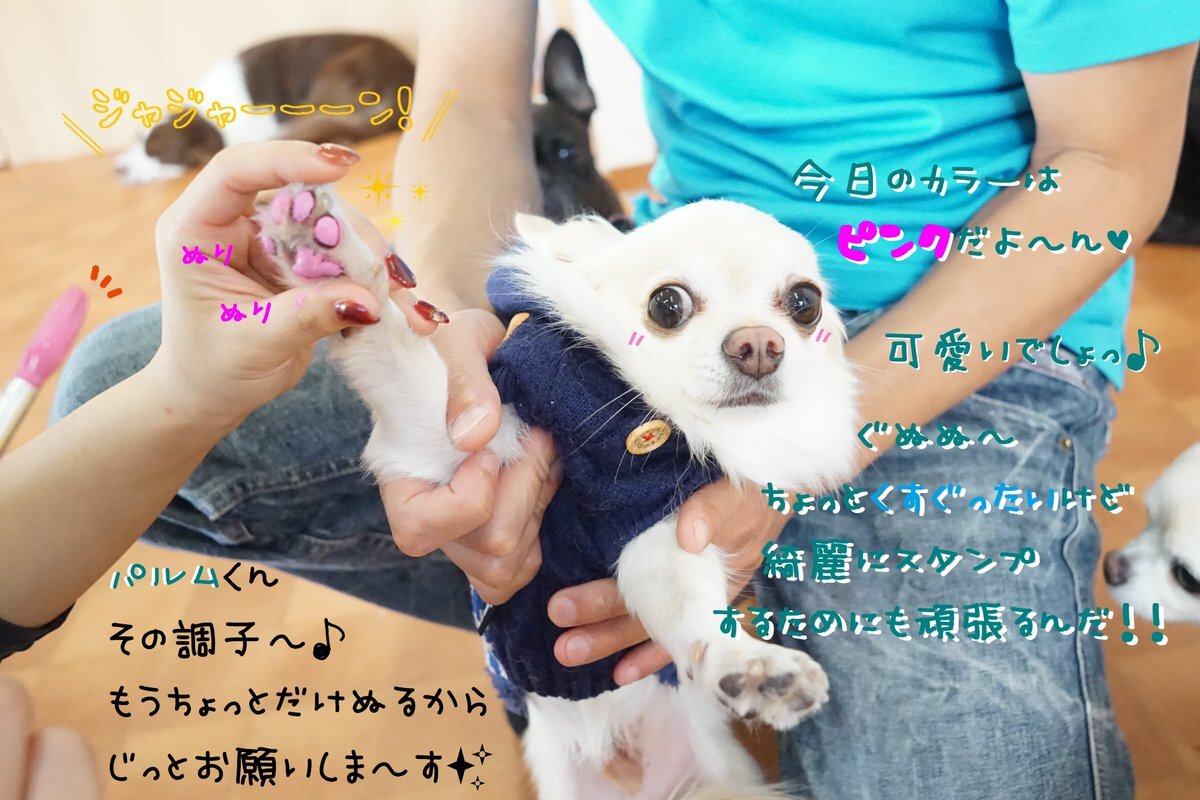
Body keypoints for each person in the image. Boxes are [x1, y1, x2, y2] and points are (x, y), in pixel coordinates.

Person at [26, 2, 1200, 798]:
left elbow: (1108, 162)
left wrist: (799, 453)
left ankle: (695, 620)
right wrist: (459, 341)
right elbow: (474, 102)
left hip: (977, 336)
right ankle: (661, 621)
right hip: (655, 297)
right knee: (124, 403)